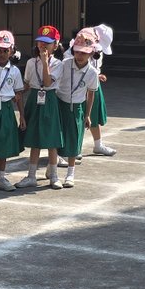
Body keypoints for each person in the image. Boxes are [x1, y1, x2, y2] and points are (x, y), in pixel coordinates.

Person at [19, 25, 64, 189]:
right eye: (40, 42)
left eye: (48, 42)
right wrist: (16, 93)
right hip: (35, 99)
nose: (43, 45)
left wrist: (45, 62)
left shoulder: (58, 64)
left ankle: (54, 175)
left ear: (55, 45)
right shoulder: (31, 62)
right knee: (35, 138)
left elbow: (47, 82)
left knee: (51, 139)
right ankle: (31, 175)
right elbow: (27, 84)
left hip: (49, 100)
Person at [54, 34, 102, 188]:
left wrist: (87, 115)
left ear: (91, 53)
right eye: (77, 52)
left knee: (74, 140)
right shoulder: (65, 64)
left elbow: (91, 94)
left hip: (77, 107)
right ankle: (52, 169)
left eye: (84, 53)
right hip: (60, 103)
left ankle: (70, 173)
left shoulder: (92, 72)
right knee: (55, 138)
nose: (80, 56)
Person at [0, 31, 25, 192]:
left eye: (6, 50)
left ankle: (1, 177)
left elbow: (19, 94)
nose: (2, 54)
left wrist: (22, 116)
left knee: (4, 143)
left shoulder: (14, 71)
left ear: (12, 51)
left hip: (7, 108)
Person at [82, 24, 118, 157]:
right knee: (79, 116)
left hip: (93, 83)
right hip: (80, 85)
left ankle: (98, 145)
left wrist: (97, 75)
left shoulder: (98, 50)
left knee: (94, 115)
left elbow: (95, 66)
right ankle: (75, 148)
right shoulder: (82, 42)